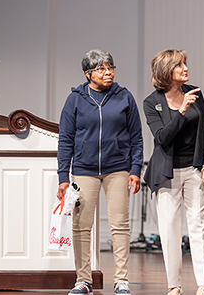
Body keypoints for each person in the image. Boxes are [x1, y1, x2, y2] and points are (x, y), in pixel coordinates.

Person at [57, 49, 144, 295]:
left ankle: (122, 281)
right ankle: (83, 281)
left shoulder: (124, 97)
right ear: (88, 74)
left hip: (118, 168)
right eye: (102, 69)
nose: (109, 73)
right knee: (81, 225)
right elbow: (66, 140)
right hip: (84, 169)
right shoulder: (75, 99)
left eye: (111, 68)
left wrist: (135, 168)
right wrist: (64, 177)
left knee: (120, 225)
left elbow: (137, 138)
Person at [143, 49, 204, 295]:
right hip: (166, 173)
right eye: (179, 65)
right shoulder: (151, 103)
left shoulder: (195, 94)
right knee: (170, 229)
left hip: (194, 170)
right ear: (166, 72)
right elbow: (162, 138)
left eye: (185, 63)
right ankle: (174, 286)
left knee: (199, 226)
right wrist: (182, 111)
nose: (185, 68)